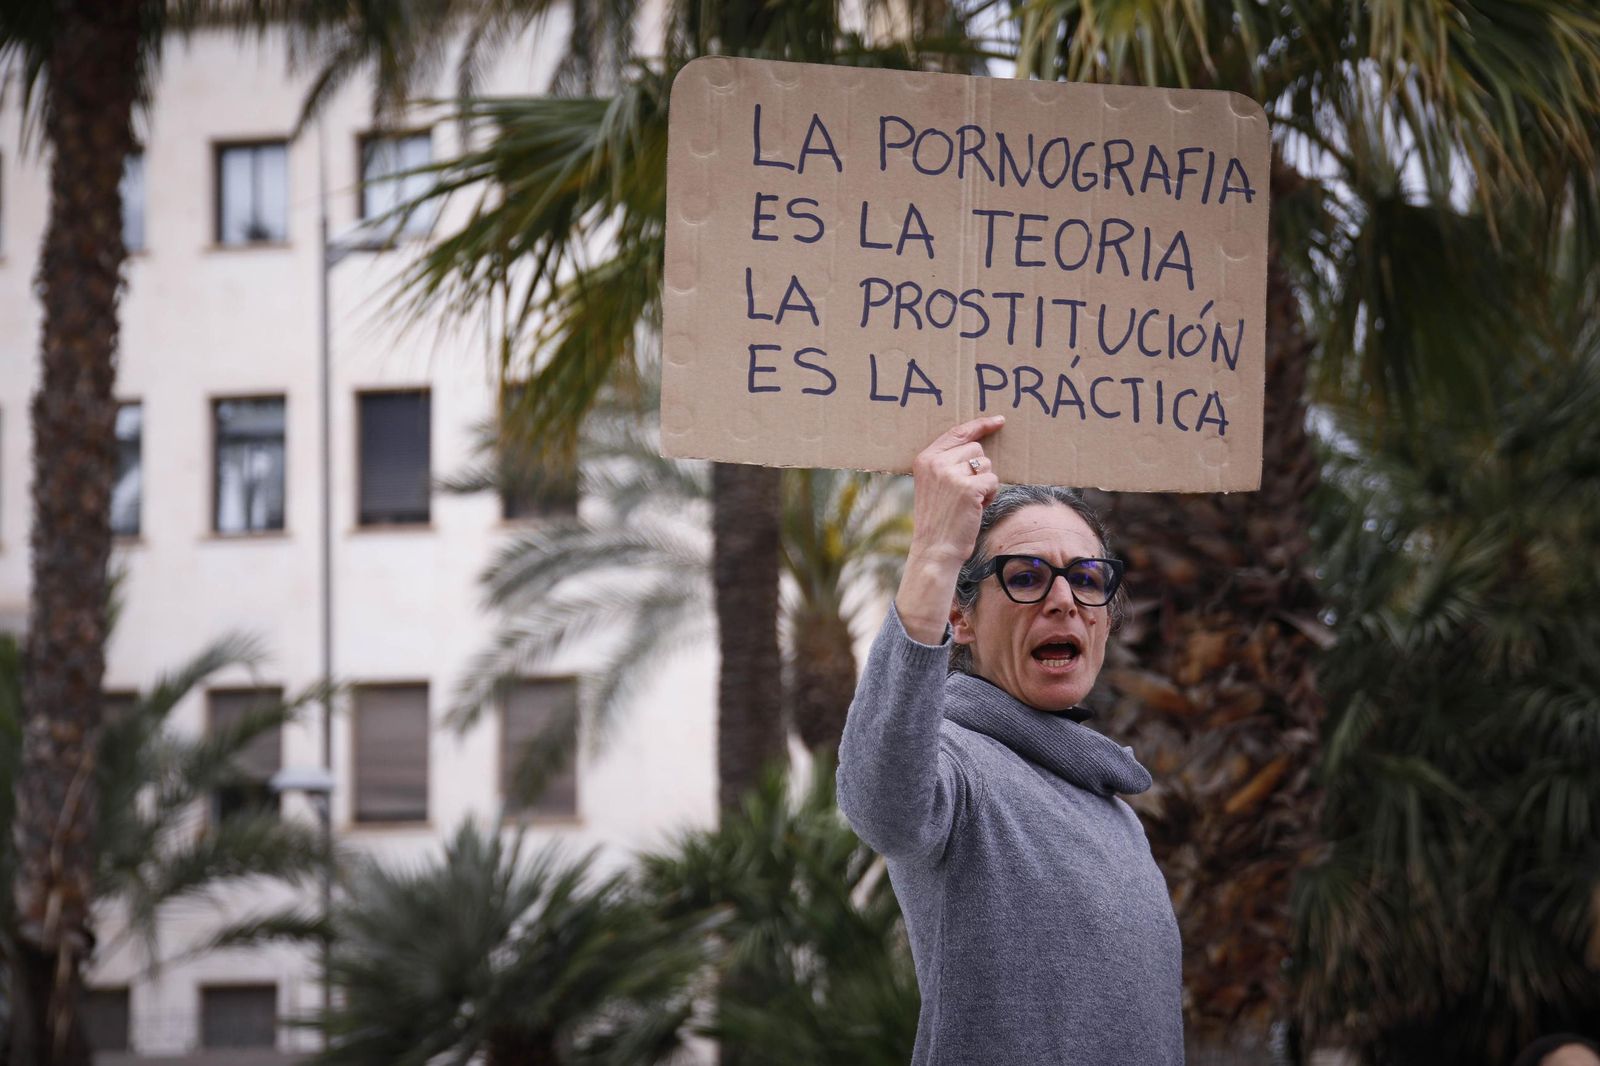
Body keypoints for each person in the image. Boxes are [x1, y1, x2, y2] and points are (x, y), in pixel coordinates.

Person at [837, 416, 1183, 1065]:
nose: (1064, 600)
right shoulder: (957, 768)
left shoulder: (1117, 815)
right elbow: (882, 804)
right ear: (960, 618)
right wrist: (935, 554)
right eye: (1025, 576)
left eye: (1087, 577)